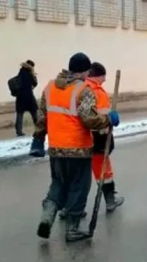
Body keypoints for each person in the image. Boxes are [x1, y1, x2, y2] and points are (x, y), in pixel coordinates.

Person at [32, 53, 120, 242]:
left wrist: (38, 138)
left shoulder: (50, 87)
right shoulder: (83, 90)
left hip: (56, 148)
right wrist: (107, 119)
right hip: (78, 148)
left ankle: (47, 216)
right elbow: (89, 119)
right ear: (85, 71)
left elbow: (41, 117)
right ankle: (72, 229)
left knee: (58, 184)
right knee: (78, 188)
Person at [58, 62, 124, 220]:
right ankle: (110, 201)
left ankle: (69, 207)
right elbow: (98, 118)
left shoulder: (74, 88)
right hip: (97, 139)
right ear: (98, 76)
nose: (104, 81)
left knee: (75, 176)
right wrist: (110, 121)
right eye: (103, 77)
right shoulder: (96, 91)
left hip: (73, 140)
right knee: (103, 172)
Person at [14, 60, 38, 137]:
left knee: (20, 114)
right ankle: (39, 128)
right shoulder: (29, 73)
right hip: (28, 96)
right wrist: (34, 75)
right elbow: (35, 83)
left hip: (20, 96)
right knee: (34, 113)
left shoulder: (20, 72)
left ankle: (18, 131)